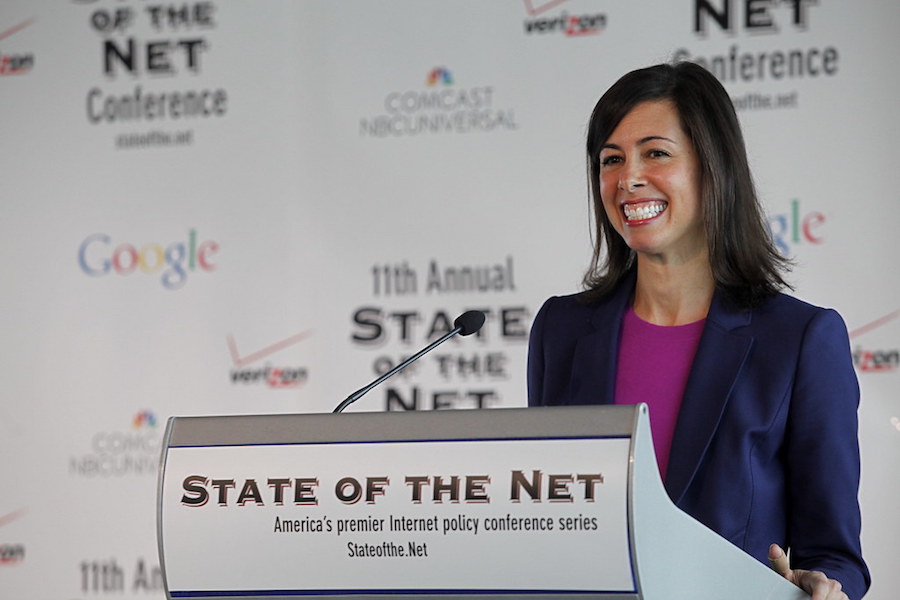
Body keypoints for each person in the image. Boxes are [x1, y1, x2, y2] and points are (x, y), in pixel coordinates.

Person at [527, 62, 870, 600]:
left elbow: (836, 554)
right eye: (610, 160)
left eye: (656, 153)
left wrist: (820, 585)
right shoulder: (561, 330)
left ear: (713, 168)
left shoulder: (801, 339)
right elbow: (543, 519)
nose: (628, 178)